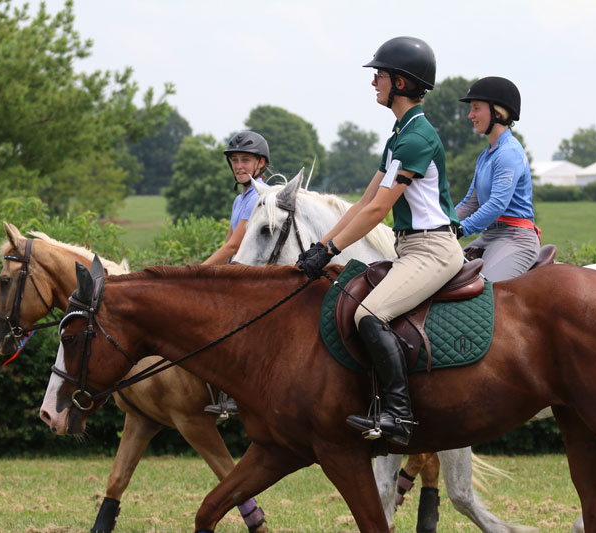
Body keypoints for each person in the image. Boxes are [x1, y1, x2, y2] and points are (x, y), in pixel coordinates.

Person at [296, 36, 464, 446]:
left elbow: (378, 212)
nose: (374, 83)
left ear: (401, 84)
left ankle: (400, 415)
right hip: (409, 247)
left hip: (433, 249)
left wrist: (331, 250)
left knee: (367, 315)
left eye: (381, 76)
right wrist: (320, 246)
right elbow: (363, 203)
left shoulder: (416, 138)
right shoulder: (399, 136)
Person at [202, 130, 270, 417]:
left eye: (245, 160)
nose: (239, 166)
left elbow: (236, 244)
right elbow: (227, 245)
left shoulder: (258, 195)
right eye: (235, 161)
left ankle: (232, 395)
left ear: (261, 164)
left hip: (257, 273)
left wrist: (196, 273)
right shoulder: (239, 198)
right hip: (238, 270)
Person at [455, 77, 540, 281]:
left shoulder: (508, 153)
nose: (470, 115)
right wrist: (441, 224)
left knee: (483, 289)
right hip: (490, 236)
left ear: (498, 112)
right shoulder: (487, 155)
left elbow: (496, 204)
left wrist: (460, 229)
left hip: (516, 238)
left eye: (476, 108)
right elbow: (470, 203)